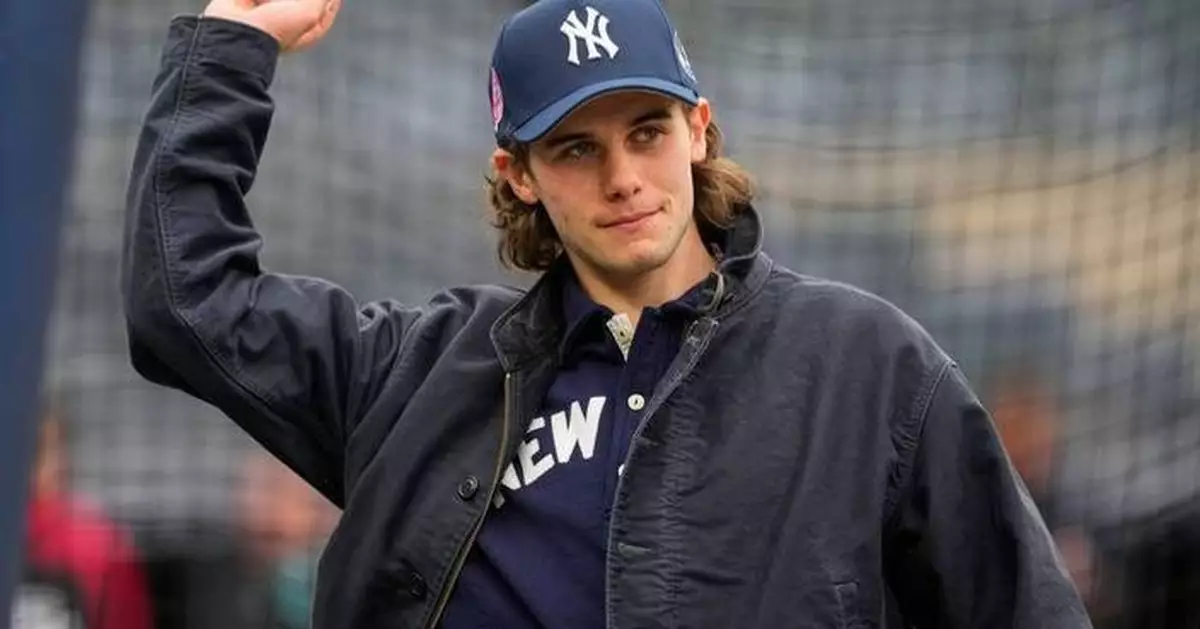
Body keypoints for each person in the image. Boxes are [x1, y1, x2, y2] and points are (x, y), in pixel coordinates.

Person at [120, 0, 1092, 627]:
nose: (625, 177)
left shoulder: (865, 363)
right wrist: (229, 48)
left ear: (698, 130)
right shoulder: (415, 374)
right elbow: (186, 298)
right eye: (577, 148)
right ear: (522, 175)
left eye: (647, 130)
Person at [16, 402, 155, 629]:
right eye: (38, 450)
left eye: (58, 447)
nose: (58, 463)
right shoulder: (97, 539)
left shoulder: (97, 540)